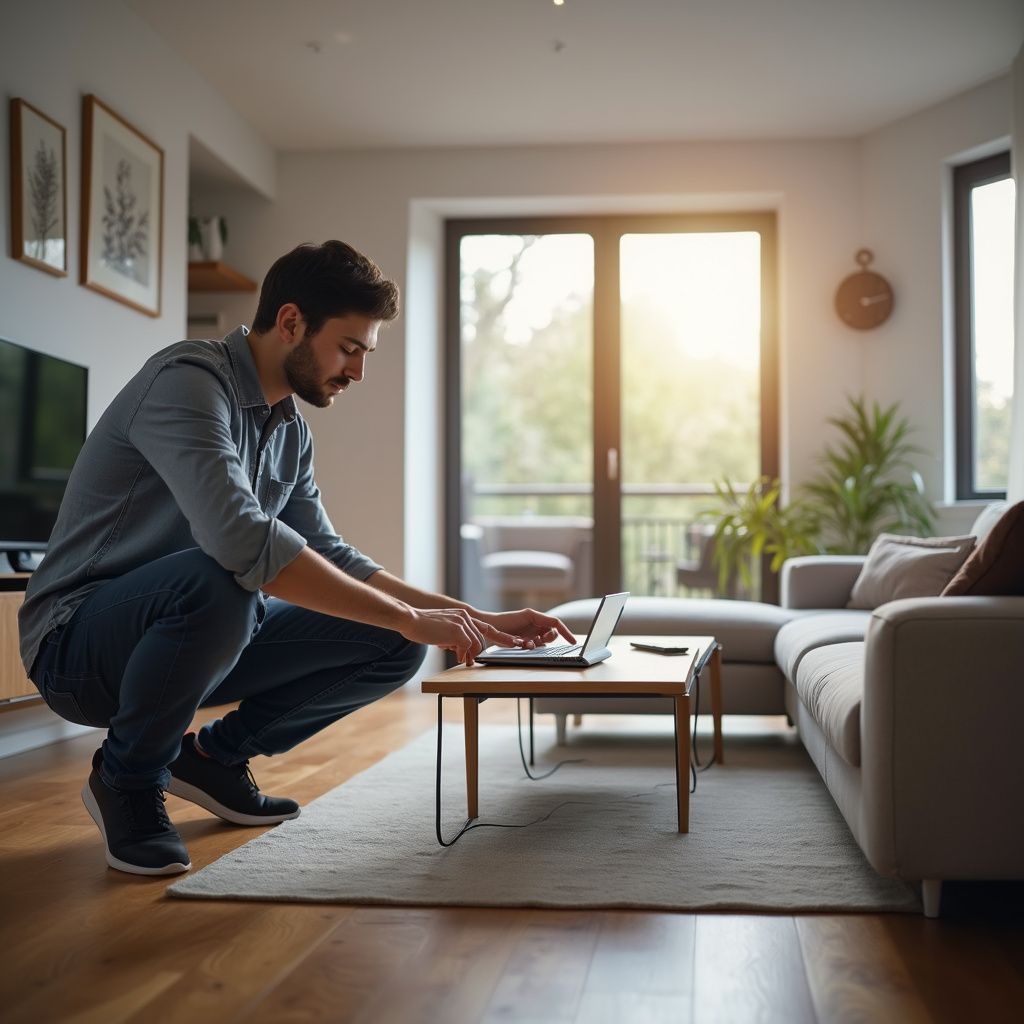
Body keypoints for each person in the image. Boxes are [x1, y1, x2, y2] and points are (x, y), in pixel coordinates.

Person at [18, 240, 574, 877]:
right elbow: (241, 542)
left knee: (392, 642)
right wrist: (408, 615)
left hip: (197, 639)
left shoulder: (289, 430)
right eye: (349, 348)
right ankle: (127, 778)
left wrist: (479, 619)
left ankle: (212, 759)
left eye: (365, 353)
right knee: (221, 580)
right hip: (77, 647)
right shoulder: (186, 383)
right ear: (290, 323)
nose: (358, 372)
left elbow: (335, 555)